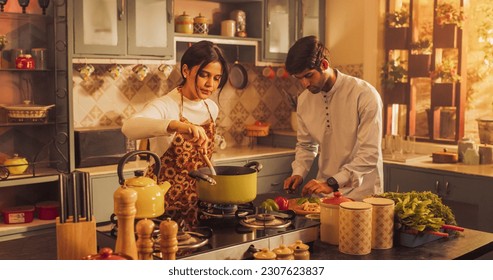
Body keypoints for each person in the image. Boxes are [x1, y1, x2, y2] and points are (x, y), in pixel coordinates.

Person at [122, 40, 229, 226]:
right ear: (186, 71)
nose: (210, 84)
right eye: (204, 75)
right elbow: (129, 128)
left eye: (216, 78)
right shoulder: (165, 105)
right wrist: (176, 125)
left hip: (198, 202)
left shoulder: (211, 107)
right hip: (162, 204)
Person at [282, 36, 384, 201]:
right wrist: (298, 173)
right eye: (299, 78)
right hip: (325, 193)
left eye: (308, 75)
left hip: (363, 194)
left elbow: (369, 154)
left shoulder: (364, 95)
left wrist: (333, 182)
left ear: (324, 64)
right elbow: (306, 146)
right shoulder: (304, 101)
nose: (305, 84)